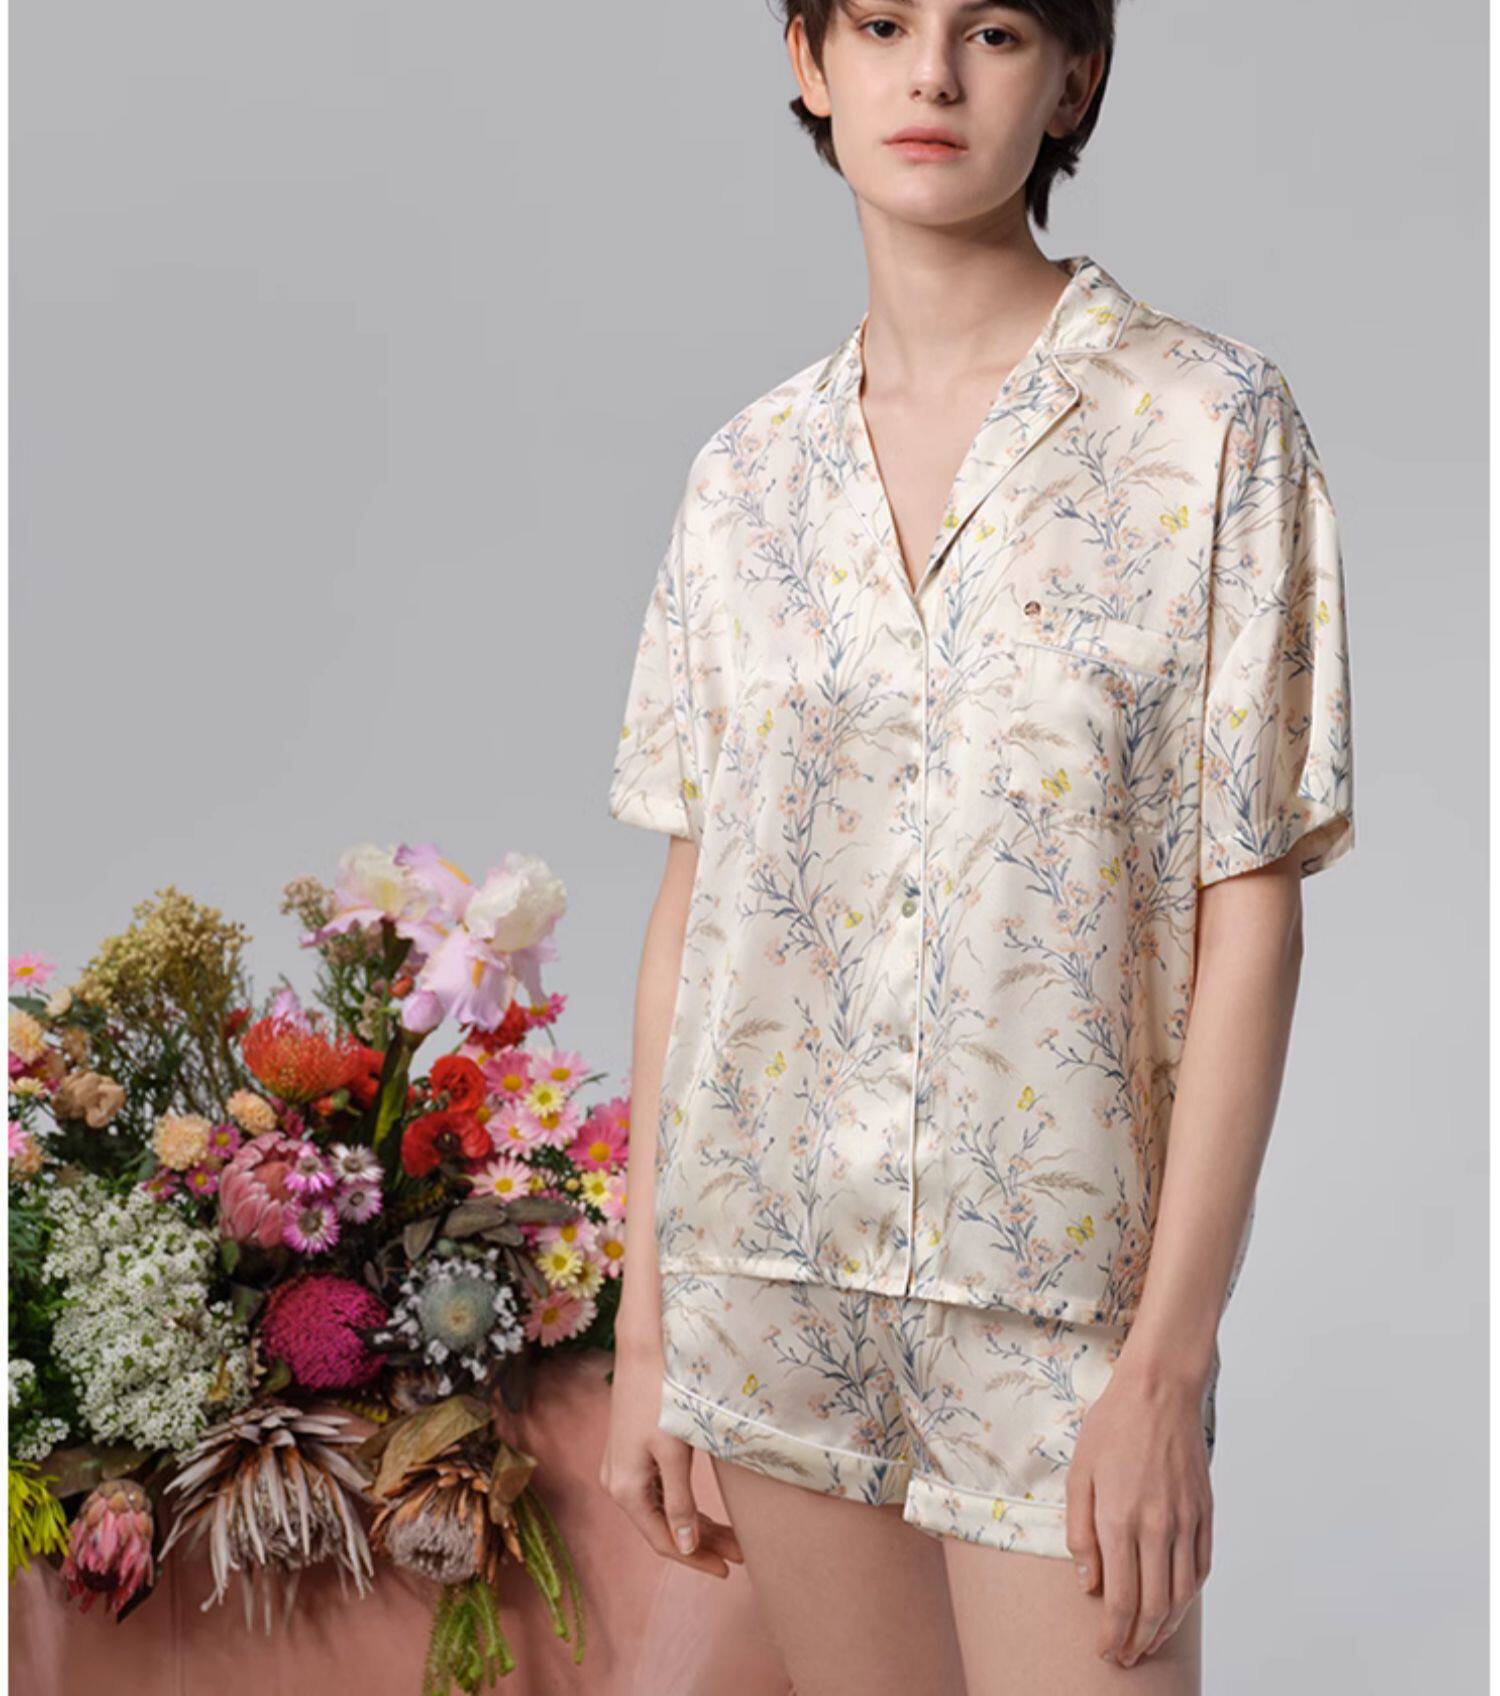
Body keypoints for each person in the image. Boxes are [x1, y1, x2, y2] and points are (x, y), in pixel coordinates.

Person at [600, 2, 1356, 1691]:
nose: (931, 75)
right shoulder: (745, 479)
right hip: (769, 1284)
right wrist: (650, 1328)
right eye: (882, 23)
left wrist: (1168, 1365)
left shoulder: (1210, 427)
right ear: (808, 59)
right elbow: (695, 905)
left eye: (994, 29)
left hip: (1065, 1313)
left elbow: (1249, 907)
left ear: (1074, 76)